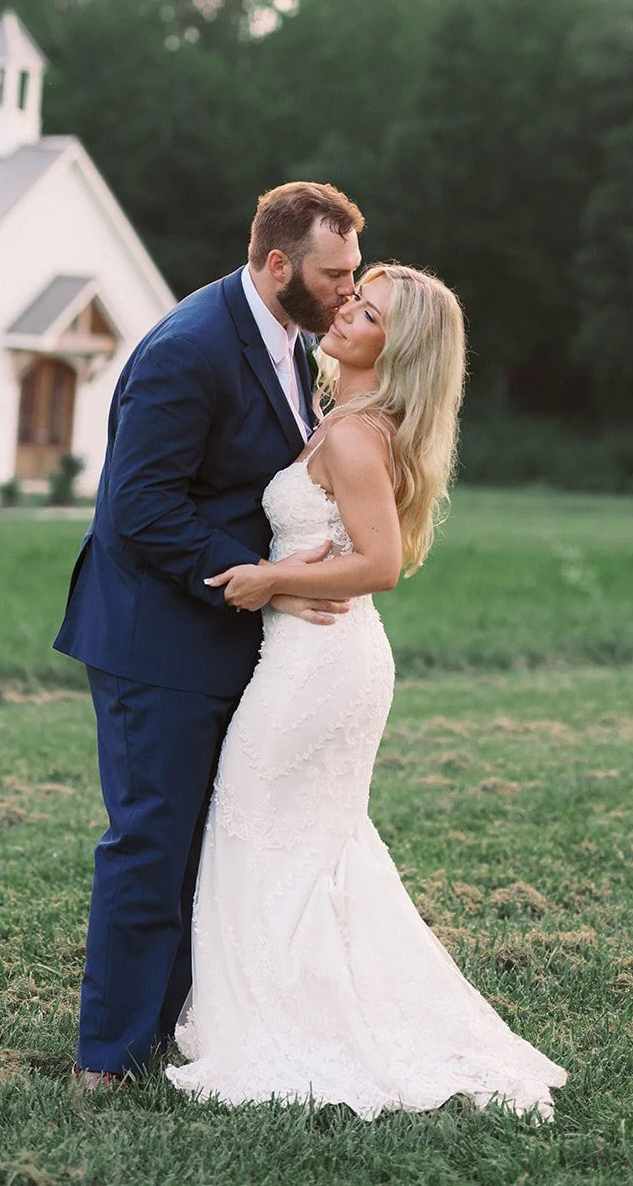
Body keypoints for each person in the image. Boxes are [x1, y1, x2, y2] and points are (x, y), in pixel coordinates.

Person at [167, 261, 568, 1119]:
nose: (346, 311)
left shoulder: (355, 435)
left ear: (401, 348)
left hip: (321, 662)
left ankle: (289, 1029)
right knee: (302, 842)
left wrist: (268, 580)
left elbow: (383, 563)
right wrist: (287, 579)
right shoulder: (340, 419)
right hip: (319, 657)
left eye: (370, 313)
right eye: (353, 296)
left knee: (261, 826)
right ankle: (292, 1011)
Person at [54, 181, 364, 1086]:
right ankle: (106, 1060)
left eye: (352, 273)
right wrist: (262, 585)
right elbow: (137, 512)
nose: (349, 290)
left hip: (224, 634)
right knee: (152, 841)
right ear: (277, 265)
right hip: (155, 637)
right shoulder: (188, 349)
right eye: (334, 273)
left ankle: (170, 1034)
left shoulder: (295, 341)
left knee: (205, 842)